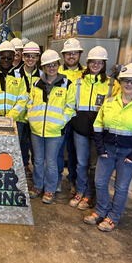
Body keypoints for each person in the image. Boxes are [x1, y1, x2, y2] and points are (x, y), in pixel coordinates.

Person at [84, 63, 132, 232]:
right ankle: (100, 211)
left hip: (129, 154)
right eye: (125, 80)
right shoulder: (109, 102)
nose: (129, 84)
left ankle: (112, 217)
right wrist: (100, 149)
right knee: (100, 183)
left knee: (121, 187)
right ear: (120, 82)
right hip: (107, 150)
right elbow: (98, 126)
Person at [67, 46, 120, 211]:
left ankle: (89, 195)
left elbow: (117, 108)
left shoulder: (113, 84)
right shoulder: (77, 82)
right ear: (88, 62)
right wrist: (74, 122)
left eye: (99, 62)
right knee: (81, 163)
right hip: (80, 131)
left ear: (104, 64)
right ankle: (80, 191)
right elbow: (69, 104)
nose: (96, 65)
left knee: (93, 165)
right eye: (93, 62)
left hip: (100, 133)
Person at [26, 49, 75, 204]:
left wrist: (61, 121)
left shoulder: (67, 84)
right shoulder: (36, 83)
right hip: (37, 129)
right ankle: (38, 186)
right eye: (48, 66)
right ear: (43, 67)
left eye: (54, 65)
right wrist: (31, 118)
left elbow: (71, 106)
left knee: (51, 162)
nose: (51, 68)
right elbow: (29, 102)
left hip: (55, 131)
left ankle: (50, 190)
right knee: (38, 160)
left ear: (58, 65)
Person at [0, 41, 28, 142]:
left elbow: (23, 99)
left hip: (14, 121)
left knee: (13, 153)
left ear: (13, 57)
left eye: (9, 58)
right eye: (3, 57)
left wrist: (10, 117)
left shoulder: (19, 77)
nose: (6, 60)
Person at [57, 38, 85, 194]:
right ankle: (57, 180)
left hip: (79, 119)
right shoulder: (57, 71)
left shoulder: (86, 73)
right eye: (68, 53)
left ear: (80, 54)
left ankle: (73, 180)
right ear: (63, 55)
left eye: (74, 53)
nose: (71, 56)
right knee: (59, 151)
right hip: (61, 116)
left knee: (75, 153)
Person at [14, 42, 43, 179]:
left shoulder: (42, 75)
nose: (30, 59)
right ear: (23, 57)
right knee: (18, 145)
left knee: (35, 147)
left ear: (38, 57)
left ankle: (36, 175)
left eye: (33, 56)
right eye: (27, 56)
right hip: (19, 116)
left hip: (35, 118)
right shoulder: (16, 74)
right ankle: (20, 170)